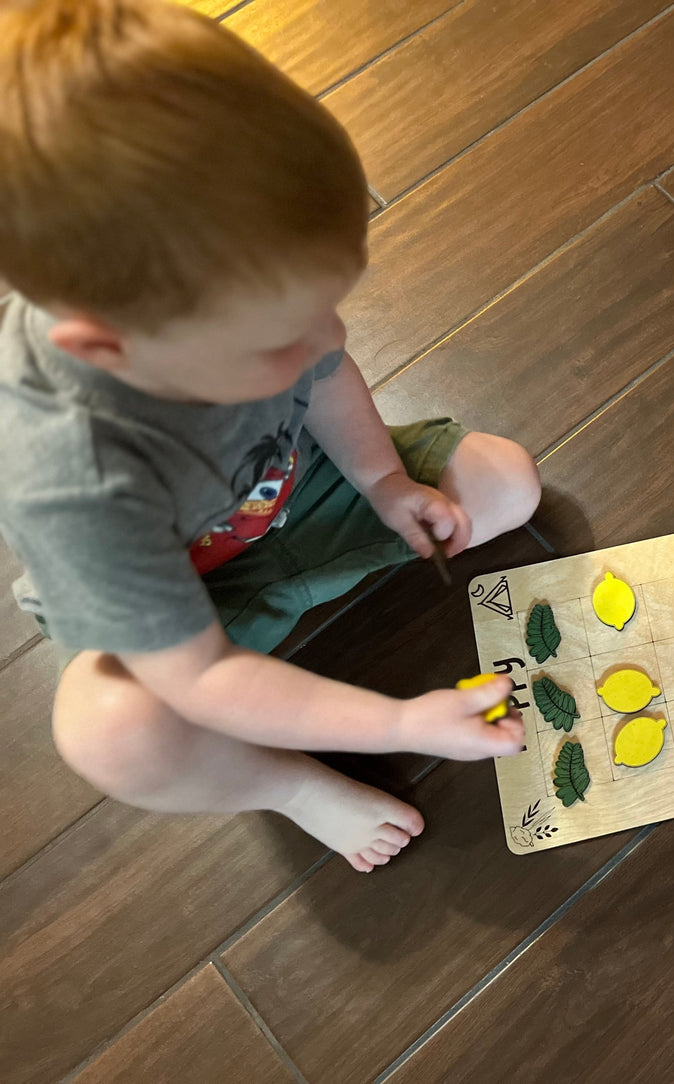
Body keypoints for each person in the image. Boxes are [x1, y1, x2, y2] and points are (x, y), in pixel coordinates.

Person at [0, 0, 540, 872]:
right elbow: (201, 677)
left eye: (323, 304)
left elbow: (323, 376)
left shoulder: (235, 304)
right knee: (115, 736)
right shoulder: (70, 484)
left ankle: (316, 577)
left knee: (505, 482)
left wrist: (379, 482)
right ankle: (288, 784)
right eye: (276, 340)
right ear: (108, 350)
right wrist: (398, 724)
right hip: (183, 609)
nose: (324, 339)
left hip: (291, 490)